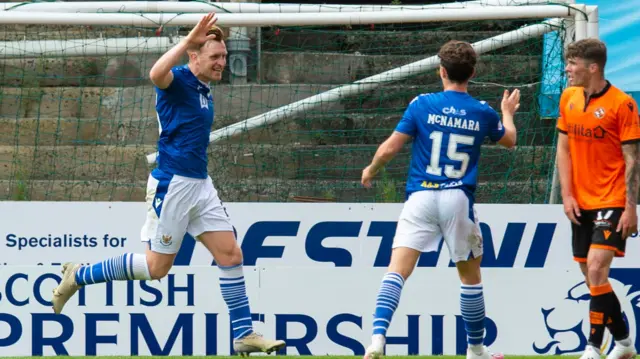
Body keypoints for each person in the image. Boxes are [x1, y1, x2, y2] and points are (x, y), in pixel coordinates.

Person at [51, 12, 286, 355]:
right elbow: (154, 74)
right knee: (156, 268)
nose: (222, 62)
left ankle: (243, 334)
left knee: (231, 254)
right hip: (173, 184)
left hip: (200, 185)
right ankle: (79, 274)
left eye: (222, 56)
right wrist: (187, 41)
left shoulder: (205, 88)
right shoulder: (176, 80)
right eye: (214, 57)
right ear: (194, 56)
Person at [360, 40, 520, 359]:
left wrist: (371, 168)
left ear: (441, 71)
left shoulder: (421, 104)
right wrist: (507, 112)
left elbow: (390, 148)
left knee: (397, 271)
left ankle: (377, 338)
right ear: (472, 73)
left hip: (420, 196)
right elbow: (510, 141)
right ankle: (476, 350)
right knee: (470, 277)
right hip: (457, 198)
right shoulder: (482, 112)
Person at [556, 38, 639, 359]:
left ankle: (593, 347)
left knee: (595, 270)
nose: (567, 70)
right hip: (580, 201)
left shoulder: (623, 104)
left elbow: (633, 158)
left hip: (613, 199)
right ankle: (625, 344)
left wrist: (630, 207)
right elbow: (563, 149)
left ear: (593, 68)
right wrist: (566, 194)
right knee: (593, 278)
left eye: (572, 64)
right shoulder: (568, 98)